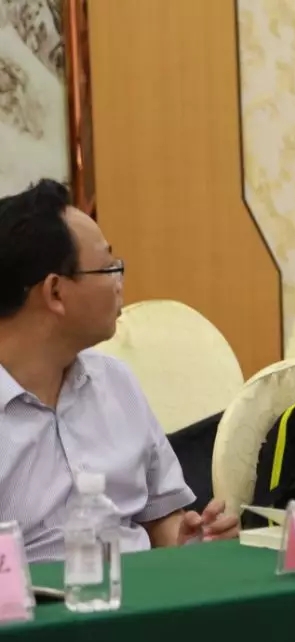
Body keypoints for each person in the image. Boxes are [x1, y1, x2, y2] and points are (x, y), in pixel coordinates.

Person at [0, 179, 238, 563]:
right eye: (108, 267)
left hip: (142, 593)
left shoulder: (116, 382)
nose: (119, 283)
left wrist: (190, 539)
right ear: (55, 292)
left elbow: (160, 518)